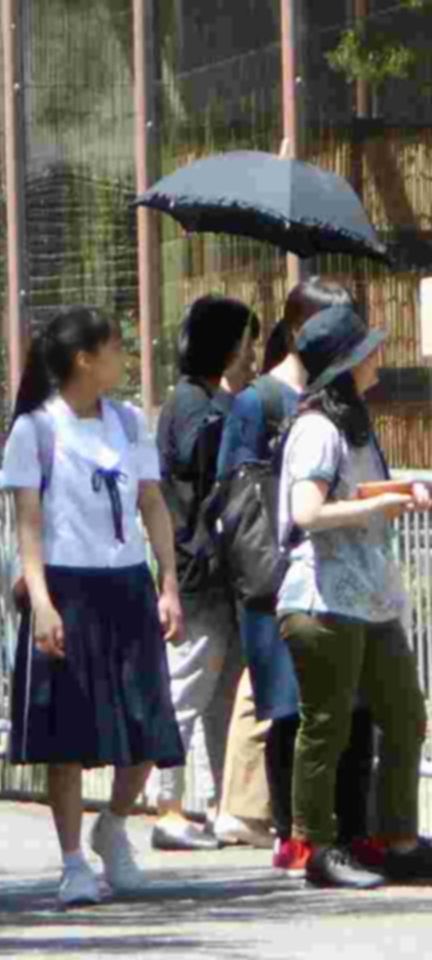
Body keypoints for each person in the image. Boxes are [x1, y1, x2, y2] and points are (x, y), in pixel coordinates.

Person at [1, 307, 185, 908]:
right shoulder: (35, 429)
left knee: (148, 723)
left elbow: (152, 504)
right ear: (85, 359)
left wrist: (168, 582)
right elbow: (27, 523)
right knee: (69, 736)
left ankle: (113, 824)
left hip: (126, 582)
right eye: (115, 347)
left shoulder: (130, 422)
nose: (124, 358)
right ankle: (73, 860)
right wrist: (44, 601)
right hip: (66, 587)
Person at [215, 278, 375, 873]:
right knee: (286, 707)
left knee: (343, 706)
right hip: (277, 574)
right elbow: (233, 497)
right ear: (302, 325)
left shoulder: (343, 399)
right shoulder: (259, 401)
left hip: (339, 575)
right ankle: (290, 830)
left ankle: (344, 829)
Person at [277, 303, 432, 889]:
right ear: (345, 365)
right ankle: (314, 847)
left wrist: (397, 491)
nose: (377, 358)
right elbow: (306, 512)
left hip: (371, 599)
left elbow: (358, 490)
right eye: (367, 351)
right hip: (322, 598)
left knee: (405, 716)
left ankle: (396, 840)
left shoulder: (355, 421)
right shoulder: (317, 427)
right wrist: (380, 504)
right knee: (327, 726)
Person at [151, 295, 260, 851]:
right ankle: (168, 805)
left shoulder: (204, 400)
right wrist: (235, 409)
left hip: (216, 572)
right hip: (196, 572)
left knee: (221, 696)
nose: (252, 357)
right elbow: (203, 456)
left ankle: (224, 806)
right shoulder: (194, 403)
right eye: (247, 343)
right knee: (188, 690)